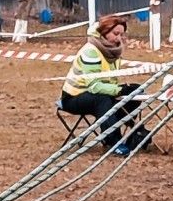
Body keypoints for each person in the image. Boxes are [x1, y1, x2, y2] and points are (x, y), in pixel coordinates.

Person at [59, 14, 149, 154]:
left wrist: (123, 89)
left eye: (121, 34)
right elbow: (93, 86)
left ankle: (134, 131)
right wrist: (118, 90)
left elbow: (109, 80)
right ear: (104, 32)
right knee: (103, 100)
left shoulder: (113, 49)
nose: (119, 38)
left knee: (136, 90)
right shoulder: (91, 51)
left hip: (102, 92)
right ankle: (113, 141)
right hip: (74, 96)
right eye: (115, 34)